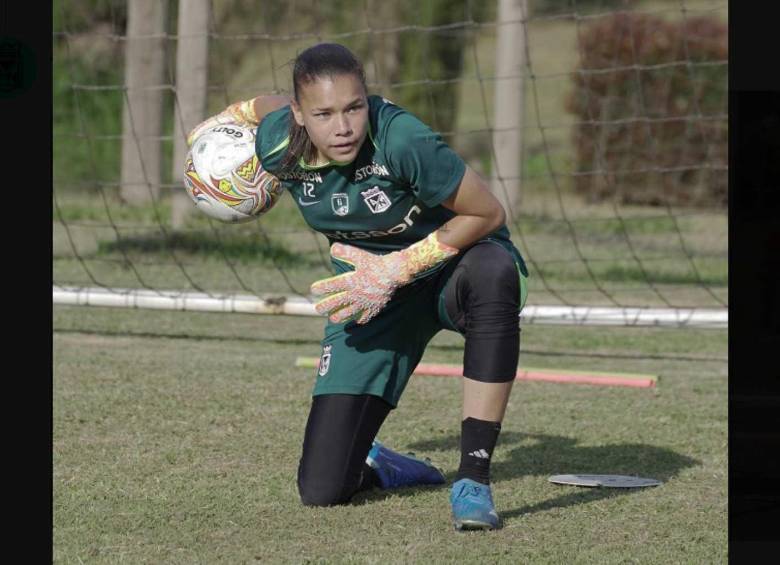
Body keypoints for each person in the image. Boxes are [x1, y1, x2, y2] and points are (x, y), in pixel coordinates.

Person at [188, 43, 529, 531]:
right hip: (369, 292)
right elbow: (259, 108)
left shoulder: (402, 140)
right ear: (300, 116)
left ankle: (473, 480)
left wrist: (397, 269)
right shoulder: (277, 142)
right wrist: (220, 120)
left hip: (454, 268)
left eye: (354, 107)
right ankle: (382, 464)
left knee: (495, 271)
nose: (343, 126)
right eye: (323, 113)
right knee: (321, 490)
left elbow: (488, 212)